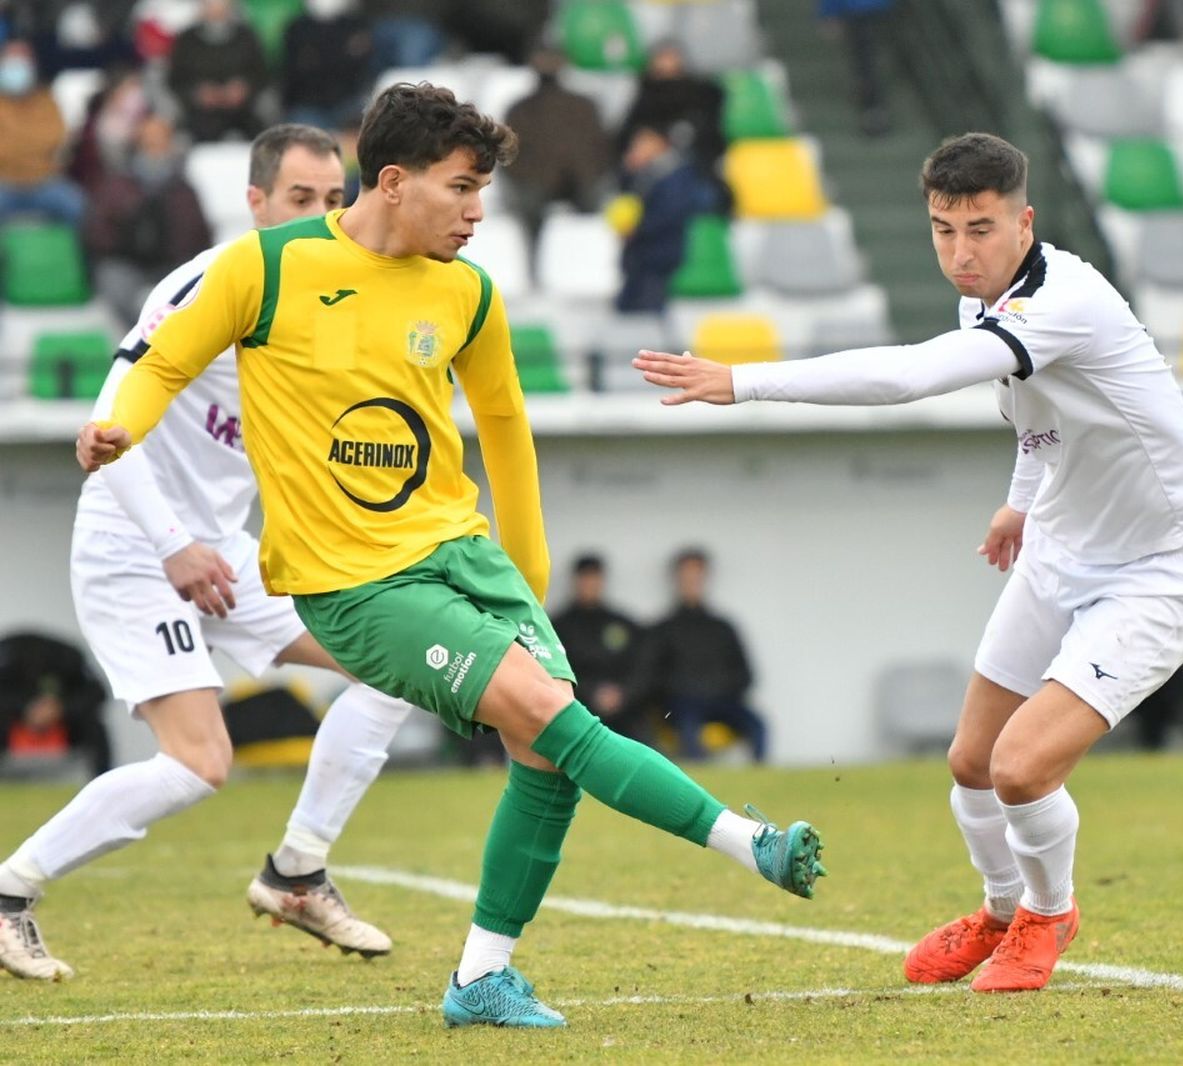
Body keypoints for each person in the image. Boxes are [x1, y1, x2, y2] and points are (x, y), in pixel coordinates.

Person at [76, 82, 825, 1029]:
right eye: (462, 189)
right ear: (393, 182)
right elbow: (164, 366)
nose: (478, 213)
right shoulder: (261, 269)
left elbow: (506, 429)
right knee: (556, 718)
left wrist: (530, 575)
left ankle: (481, 978)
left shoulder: (466, 289)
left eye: (483, 193)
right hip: (353, 584)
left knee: (543, 756)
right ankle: (745, 840)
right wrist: (119, 429)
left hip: (465, 558)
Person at [637, 132, 1183, 992]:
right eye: (943, 229)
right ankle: (998, 911)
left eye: (981, 229)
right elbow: (1044, 413)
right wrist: (1021, 501)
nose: (961, 251)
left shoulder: (1065, 298)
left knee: (1021, 769)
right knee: (970, 760)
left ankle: (1050, 913)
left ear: (1024, 223)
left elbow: (910, 379)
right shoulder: (986, 299)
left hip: (1163, 564)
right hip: (1064, 540)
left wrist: (744, 381)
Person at [0, 125, 408, 984]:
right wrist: (173, 543)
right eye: (300, 200)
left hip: (227, 551)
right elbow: (112, 418)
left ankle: (296, 871)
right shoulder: (211, 281)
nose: (320, 217)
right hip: (134, 539)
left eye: (334, 201)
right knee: (200, 762)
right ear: (255, 203)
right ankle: (8, 895)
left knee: (394, 666)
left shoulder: (331, 299)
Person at [83, 112, 213, 324]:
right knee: (112, 281)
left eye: (159, 142)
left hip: (172, 264)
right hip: (126, 262)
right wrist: (126, 231)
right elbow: (97, 231)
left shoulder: (183, 189)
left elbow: (200, 236)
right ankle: (141, 341)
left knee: (194, 289)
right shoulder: (117, 185)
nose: (154, 150)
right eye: (148, 143)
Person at [647, 548, 768, 762]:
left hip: (723, 701)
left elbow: (746, 674)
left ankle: (763, 784)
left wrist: (719, 689)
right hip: (681, 705)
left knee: (758, 725)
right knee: (688, 727)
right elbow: (650, 678)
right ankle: (697, 789)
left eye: (697, 575)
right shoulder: (662, 629)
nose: (692, 581)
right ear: (677, 579)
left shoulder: (723, 627)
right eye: (687, 576)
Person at [502, 46, 610, 244]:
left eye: (552, 60)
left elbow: (600, 151)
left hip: (581, 183)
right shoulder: (520, 109)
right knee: (527, 204)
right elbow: (508, 156)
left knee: (597, 199)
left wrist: (576, 172)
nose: (548, 66)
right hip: (534, 184)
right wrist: (542, 175)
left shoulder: (582, 106)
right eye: (543, 59)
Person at [615, 123, 713, 314]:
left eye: (643, 143)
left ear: (660, 143)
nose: (638, 148)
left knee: (648, 313)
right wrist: (628, 171)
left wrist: (638, 228)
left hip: (661, 255)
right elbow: (626, 199)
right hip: (640, 256)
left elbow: (669, 213)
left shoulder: (675, 174)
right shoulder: (644, 173)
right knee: (626, 310)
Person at [550, 554, 646, 741]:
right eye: (585, 578)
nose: (590, 584)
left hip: (625, 708)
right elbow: (555, 670)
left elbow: (641, 668)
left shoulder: (623, 624)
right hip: (577, 706)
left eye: (595, 578)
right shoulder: (559, 626)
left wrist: (624, 694)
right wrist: (592, 692)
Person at [0, 632, 112, 776]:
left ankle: (102, 782)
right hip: (13, 724)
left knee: (94, 726)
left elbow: (98, 693)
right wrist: (25, 710)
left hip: (63, 726)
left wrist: (60, 709)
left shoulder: (69, 658)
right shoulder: (7, 657)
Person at [0, 39, 85, 225]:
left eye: (21, 60)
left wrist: (15, 141)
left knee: (76, 205)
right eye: (10, 59)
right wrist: (30, 144)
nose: (15, 66)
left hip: (44, 182)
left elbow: (56, 139)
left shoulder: (46, 101)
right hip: (4, 182)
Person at [619, 41, 725, 178]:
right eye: (661, 57)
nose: (666, 63)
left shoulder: (703, 96)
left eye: (670, 57)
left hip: (693, 170)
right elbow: (626, 139)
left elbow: (708, 138)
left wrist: (665, 142)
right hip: (647, 175)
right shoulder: (645, 97)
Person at [166, 0, 268, 142]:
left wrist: (244, 88)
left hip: (242, 113)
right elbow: (175, 80)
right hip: (199, 115)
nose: (217, 8)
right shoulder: (187, 40)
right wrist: (197, 93)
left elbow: (261, 75)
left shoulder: (246, 36)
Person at [280, 0, 377, 131]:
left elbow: (362, 66)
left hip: (348, 100)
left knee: (367, 121)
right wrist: (342, 55)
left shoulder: (356, 25)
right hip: (308, 104)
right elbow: (297, 72)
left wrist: (321, 58)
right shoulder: (297, 28)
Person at [818, 0, 895, 136]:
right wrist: (829, 12)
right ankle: (873, 110)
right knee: (866, 63)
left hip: (869, 11)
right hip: (863, 12)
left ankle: (873, 109)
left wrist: (828, 13)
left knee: (866, 63)